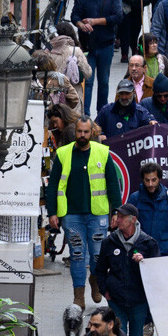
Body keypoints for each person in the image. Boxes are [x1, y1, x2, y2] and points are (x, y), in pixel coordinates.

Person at [45, 117, 123, 311]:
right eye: (79, 131)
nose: (82, 135)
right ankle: (78, 296)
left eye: (86, 132)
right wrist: (52, 212)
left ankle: (95, 282)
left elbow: (113, 184)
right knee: (77, 255)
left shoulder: (103, 153)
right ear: (75, 131)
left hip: (98, 214)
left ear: (92, 133)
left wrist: (116, 211)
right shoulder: (63, 154)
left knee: (97, 255)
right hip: (72, 215)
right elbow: (53, 185)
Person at [91, 202, 162, 336]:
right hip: (116, 301)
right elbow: (101, 270)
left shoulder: (148, 243)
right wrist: (106, 292)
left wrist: (144, 262)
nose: (118, 220)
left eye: (122, 217)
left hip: (139, 302)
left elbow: (157, 273)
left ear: (133, 220)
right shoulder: (109, 242)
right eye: (118, 216)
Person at [72, 0, 125, 114]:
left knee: (104, 82)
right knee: (87, 82)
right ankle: (85, 114)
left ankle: (102, 114)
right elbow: (74, 15)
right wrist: (81, 25)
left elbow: (118, 17)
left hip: (106, 45)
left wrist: (96, 22)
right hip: (88, 45)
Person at [133, 161, 168, 257]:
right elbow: (128, 227)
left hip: (165, 252)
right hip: (142, 253)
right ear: (142, 180)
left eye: (154, 180)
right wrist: (134, 251)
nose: (150, 184)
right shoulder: (135, 198)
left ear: (160, 178)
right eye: (147, 180)